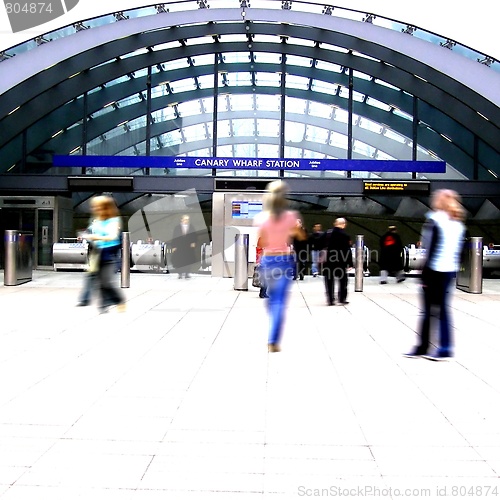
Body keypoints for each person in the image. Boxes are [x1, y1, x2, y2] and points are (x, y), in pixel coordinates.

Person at [405, 189, 466, 361]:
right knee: (443, 310)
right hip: (448, 271)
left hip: (434, 270)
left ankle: (423, 347)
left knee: (427, 311)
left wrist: (423, 274)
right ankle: (444, 347)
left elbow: (430, 249)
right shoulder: (458, 224)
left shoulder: (435, 220)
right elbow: (459, 251)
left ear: (440, 201)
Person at [255, 180, 306, 352]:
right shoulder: (291, 217)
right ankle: (273, 340)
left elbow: (261, 242)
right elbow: (300, 237)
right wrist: (294, 229)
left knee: (272, 299)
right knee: (279, 302)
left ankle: (273, 335)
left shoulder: (261, 218)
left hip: (268, 260)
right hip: (284, 261)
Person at [84, 195, 126, 314]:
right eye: (94, 207)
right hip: (98, 253)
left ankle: (119, 300)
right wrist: (87, 235)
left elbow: (112, 236)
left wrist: (94, 236)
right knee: (100, 281)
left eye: (98, 207)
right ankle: (103, 307)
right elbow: (91, 231)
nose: (95, 209)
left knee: (106, 282)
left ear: (106, 208)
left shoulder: (114, 220)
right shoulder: (97, 220)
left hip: (110, 254)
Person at [322, 217, 353, 306]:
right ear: (343, 225)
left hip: (329, 260)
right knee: (343, 280)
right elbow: (347, 250)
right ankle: (341, 298)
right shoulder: (345, 236)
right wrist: (349, 263)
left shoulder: (327, 233)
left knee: (329, 280)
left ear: (335, 224)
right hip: (341, 261)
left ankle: (330, 299)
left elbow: (319, 243)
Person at [171, 214, 197, 279]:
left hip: (188, 247)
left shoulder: (191, 227)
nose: (186, 221)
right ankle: (180, 273)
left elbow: (194, 235)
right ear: (182, 220)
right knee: (179, 260)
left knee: (188, 260)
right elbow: (174, 237)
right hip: (179, 247)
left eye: (187, 219)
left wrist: (194, 242)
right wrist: (174, 246)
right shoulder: (177, 227)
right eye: (185, 219)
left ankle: (187, 273)